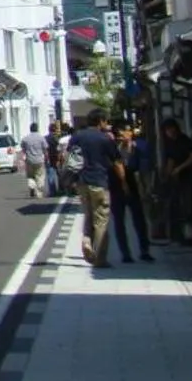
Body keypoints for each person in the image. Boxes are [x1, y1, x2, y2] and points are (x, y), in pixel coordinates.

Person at [68, 108, 121, 269]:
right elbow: (117, 161)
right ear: (101, 121)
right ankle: (100, 258)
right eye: (105, 121)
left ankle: (86, 241)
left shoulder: (77, 136)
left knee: (88, 215)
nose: (106, 124)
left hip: (81, 182)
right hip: (99, 181)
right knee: (101, 220)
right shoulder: (105, 139)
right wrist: (123, 182)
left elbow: (69, 156)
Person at [113, 122, 155, 262]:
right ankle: (125, 253)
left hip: (135, 187)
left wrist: (147, 187)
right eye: (119, 133)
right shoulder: (114, 149)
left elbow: (145, 169)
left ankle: (144, 251)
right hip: (117, 188)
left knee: (140, 220)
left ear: (131, 133)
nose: (122, 135)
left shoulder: (139, 148)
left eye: (124, 132)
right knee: (119, 221)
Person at [160, 119, 192, 242]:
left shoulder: (184, 141)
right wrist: (167, 176)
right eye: (166, 130)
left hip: (191, 177)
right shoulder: (171, 143)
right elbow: (171, 160)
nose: (169, 132)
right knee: (180, 206)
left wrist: (179, 168)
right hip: (179, 180)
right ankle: (183, 235)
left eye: (170, 129)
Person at [19, 123, 48, 200]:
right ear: (37, 128)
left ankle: (31, 186)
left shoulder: (25, 138)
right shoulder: (41, 138)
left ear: (30, 129)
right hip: (39, 159)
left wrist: (24, 156)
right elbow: (45, 148)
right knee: (40, 176)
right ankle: (39, 192)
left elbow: (22, 148)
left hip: (29, 159)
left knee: (30, 175)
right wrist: (46, 157)